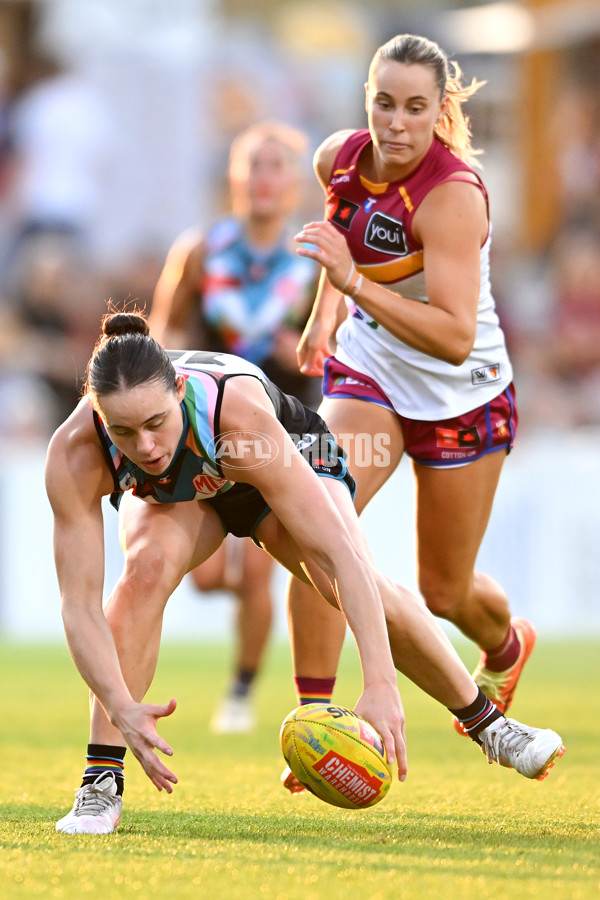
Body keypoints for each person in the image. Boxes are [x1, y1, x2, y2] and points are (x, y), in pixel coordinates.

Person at [46, 310, 563, 834]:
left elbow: (344, 557)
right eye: (124, 431)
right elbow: (80, 607)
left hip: (278, 450)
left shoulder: (241, 419)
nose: (146, 447)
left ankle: (493, 728)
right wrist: (118, 701)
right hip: (183, 492)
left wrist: (380, 682)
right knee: (144, 572)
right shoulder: (75, 452)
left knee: (345, 582)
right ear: (98, 414)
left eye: (156, 423)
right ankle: (100, 784)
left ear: (179, 390)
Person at [284, 33, 539, 781]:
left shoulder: (453, 196)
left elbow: (457, 338)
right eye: (384, 104)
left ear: (439, 112)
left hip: (462, 396)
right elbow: (344, 237)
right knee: (317, 521)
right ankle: (320, 723)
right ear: (368, 101)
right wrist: (324, 315)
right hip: (371, 376)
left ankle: (504, 647)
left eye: (415, 108)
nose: (396, 123)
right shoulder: (337, 157)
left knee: (444, 590)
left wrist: (353, 288)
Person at [150, 121, 321, 733]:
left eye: (276, 166)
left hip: (285, 421)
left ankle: (242, 694)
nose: (263, 178)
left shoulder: (314, 258)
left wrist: (303, 346)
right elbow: (164, 335)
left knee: (256, 571)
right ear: (234, 178)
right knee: (205, 580)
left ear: (295, 181)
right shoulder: (201, 250)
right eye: (253, 165)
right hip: (206, 421)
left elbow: (342, 349)